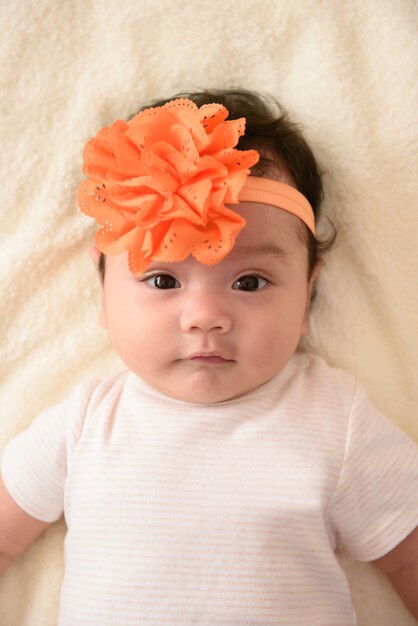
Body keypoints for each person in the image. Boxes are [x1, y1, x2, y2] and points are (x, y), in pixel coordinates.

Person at [0, 90, 417, 626]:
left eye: (249, 281)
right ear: (103, 288)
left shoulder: (336, 420)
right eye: (162, 279)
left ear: (308, 295)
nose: (205, 316)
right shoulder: (84, 423)